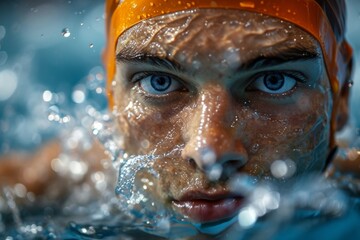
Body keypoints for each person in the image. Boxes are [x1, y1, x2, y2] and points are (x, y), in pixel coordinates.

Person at [1, 0, 360, 238]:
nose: (209, 150)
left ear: (340, 94)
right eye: (159, 83)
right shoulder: (58, 183)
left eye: (273, 81)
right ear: (113, 95)